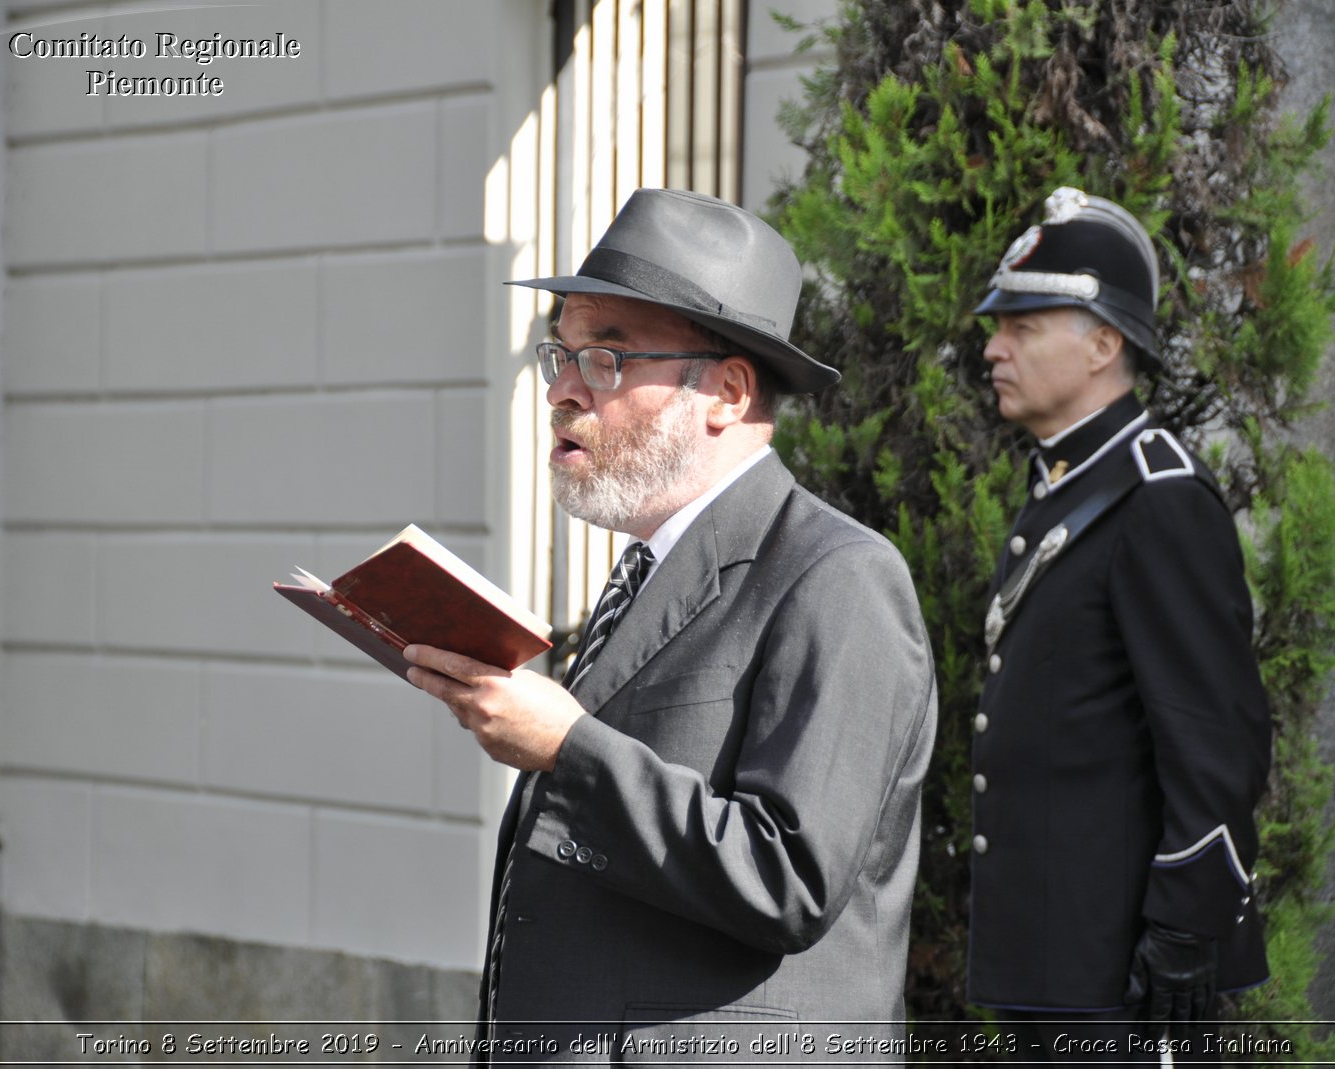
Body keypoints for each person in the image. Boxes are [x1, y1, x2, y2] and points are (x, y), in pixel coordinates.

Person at [403, 188, 937, 1063]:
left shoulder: (841, 577)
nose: (564, 391)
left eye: (607, 358)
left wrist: (567, 747)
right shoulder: (645, 570)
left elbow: (788, 878)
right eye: (561, 353)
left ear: (725, 391)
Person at [965, 188, 1273, 1062]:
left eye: (1022, 327)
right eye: (998, 326)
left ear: (1103, 344)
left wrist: (1185, 929)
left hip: (1123, 982)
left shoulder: (1156, 499)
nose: (993, 347)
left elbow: (1217, 740)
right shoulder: (1069, 486)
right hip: (1058, 965)